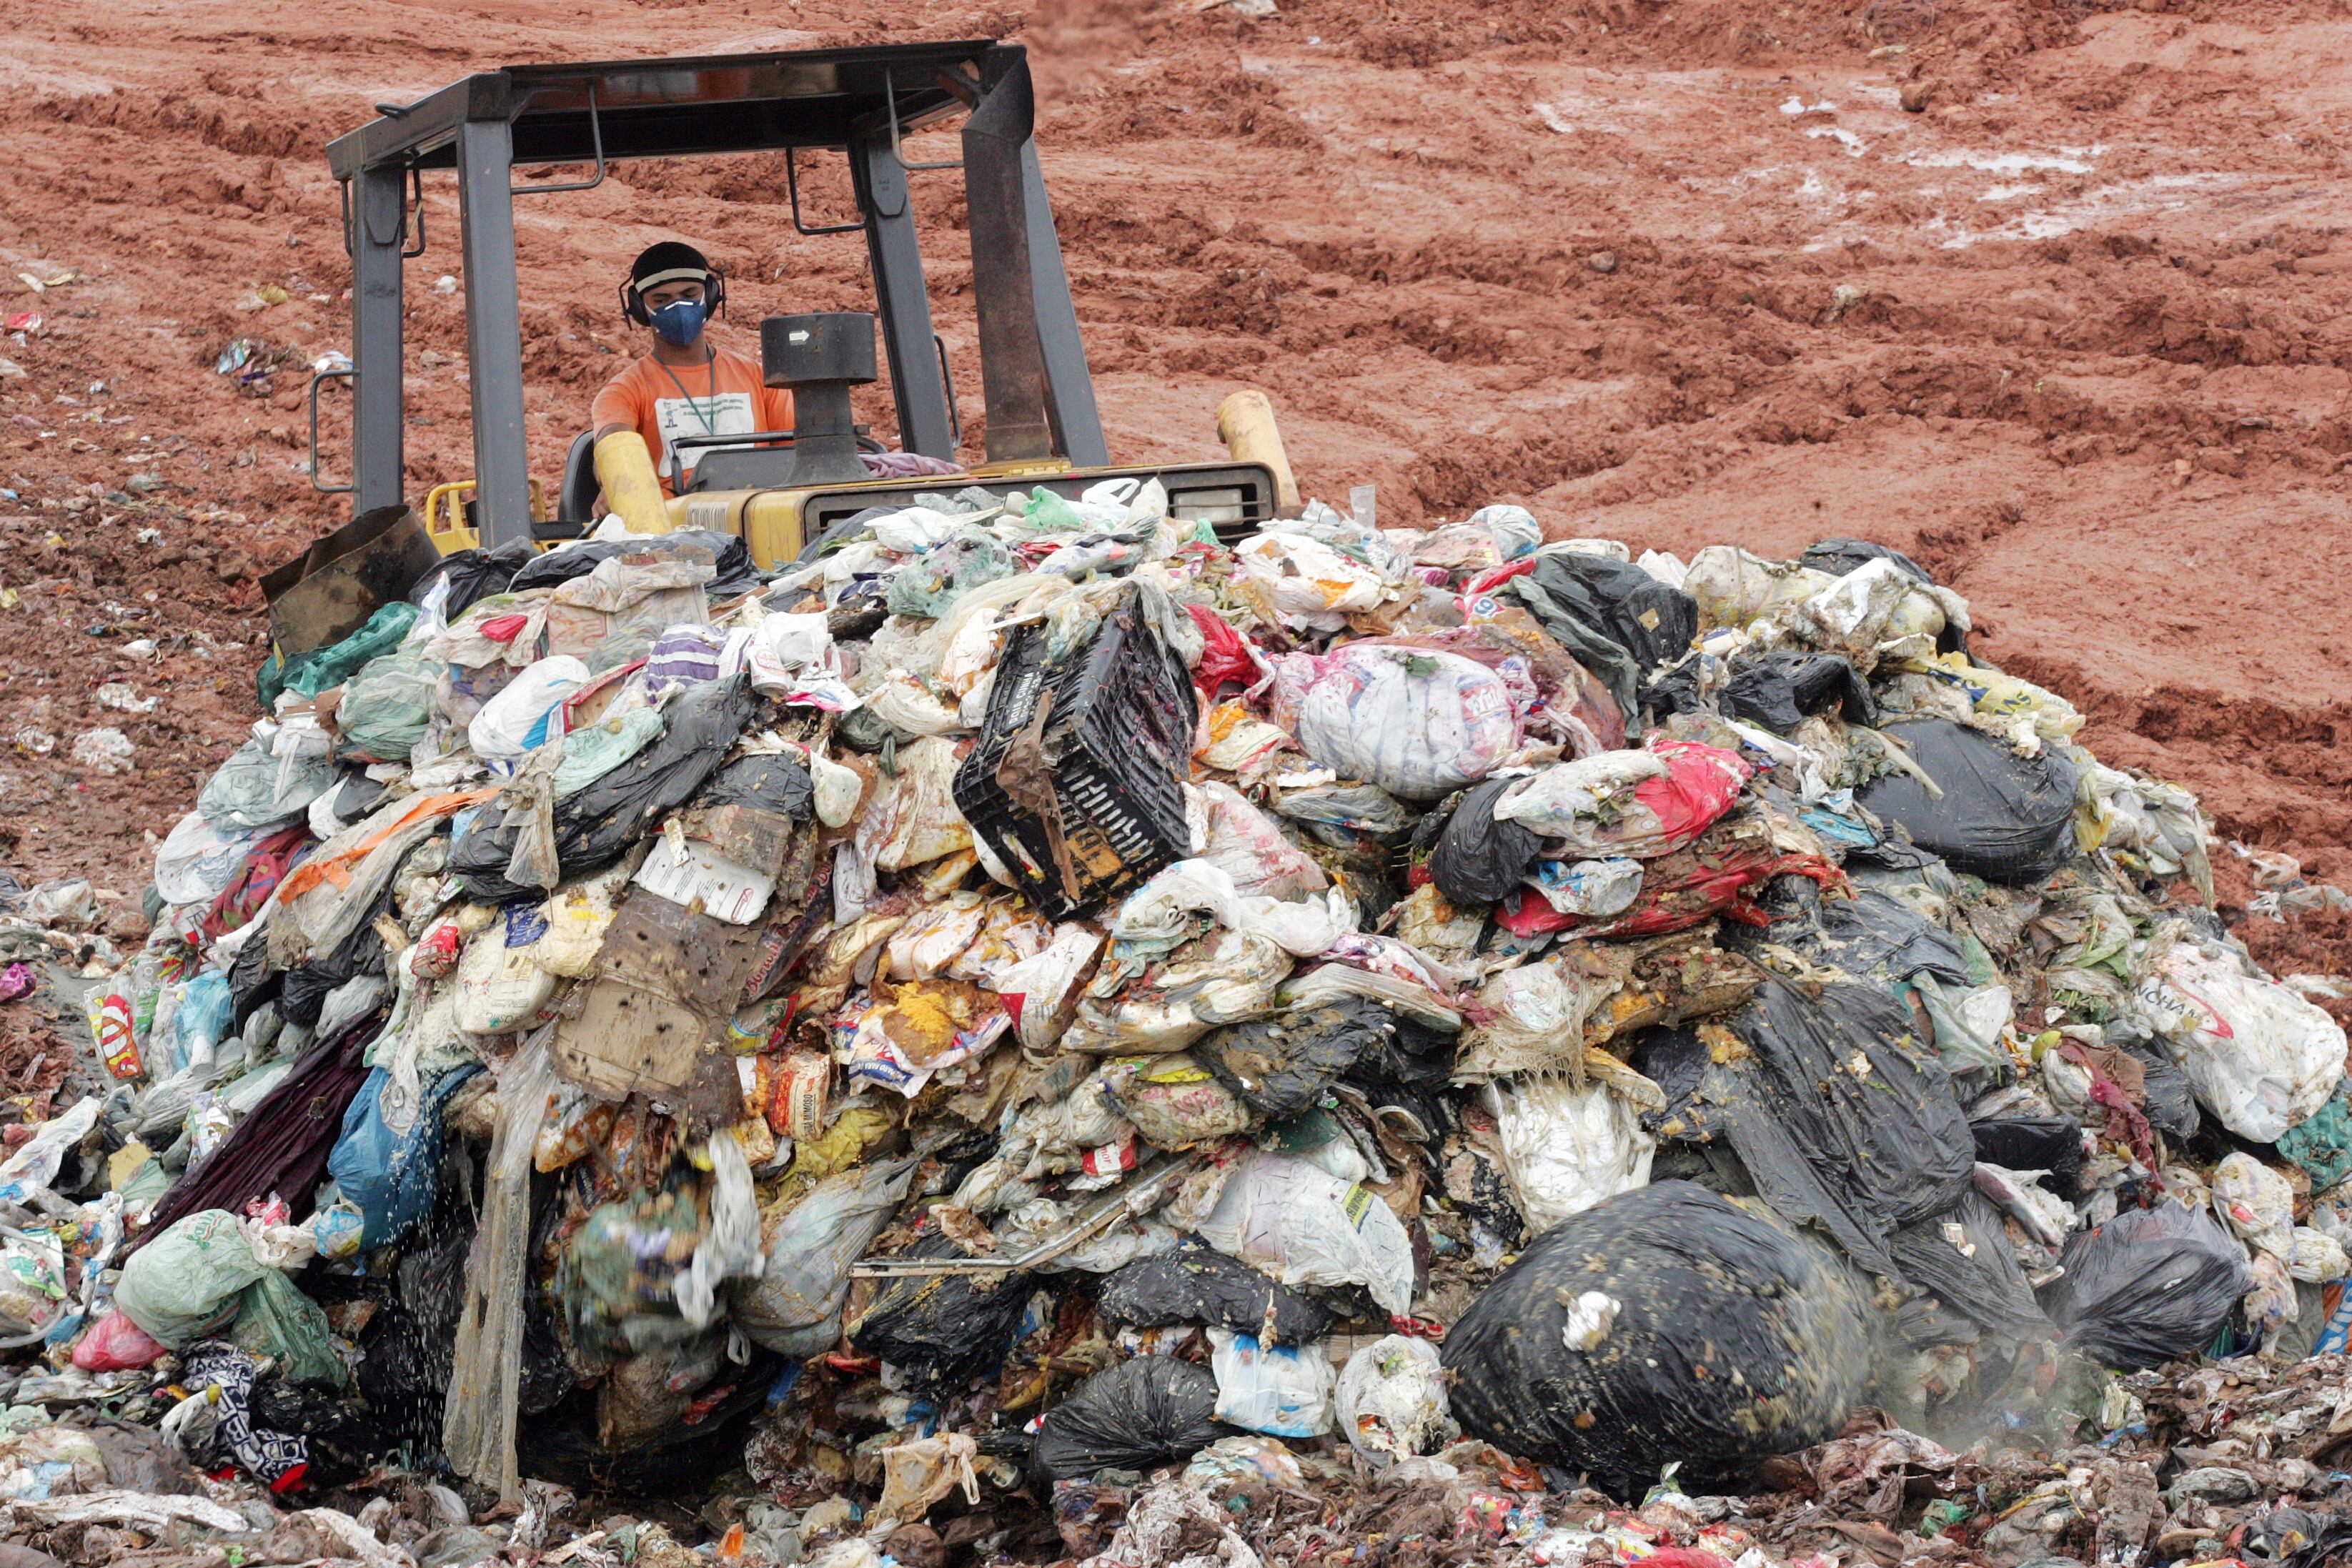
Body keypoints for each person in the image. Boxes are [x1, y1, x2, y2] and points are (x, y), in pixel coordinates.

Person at [591, 242, 794, 497]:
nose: (678, 307)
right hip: (669, 518)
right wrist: (616, 475)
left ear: (710, 296)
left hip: (757, 508)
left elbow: (796, 452)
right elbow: (612, 439)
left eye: (689, 295)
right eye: (661, 300)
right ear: (641, 308)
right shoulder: (624, 390)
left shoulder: (760, 378)